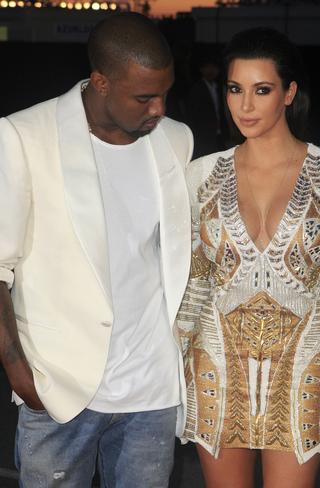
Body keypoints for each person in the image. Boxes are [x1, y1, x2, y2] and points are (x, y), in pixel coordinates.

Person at [0, 12, 193, 487]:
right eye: (144, 97)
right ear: (101, 82)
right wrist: (20, 374)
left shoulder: (176, 140)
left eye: (165, 93)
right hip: (62, 389)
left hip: (152, 391)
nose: (159, 109)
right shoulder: (24, 136)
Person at [176, 27, 320, 488]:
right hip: (215, 366)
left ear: (289, 93)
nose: (245, 106)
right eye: (235, 90)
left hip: (304, 367)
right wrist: (172, 370)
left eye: (262, 90)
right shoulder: (199, 175)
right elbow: (194, 281)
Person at [186, 57, 229, 159]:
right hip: (203, 135)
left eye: (214, 68)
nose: (211, 71)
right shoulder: (196, 89)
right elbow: (192, 115)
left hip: (219, 134)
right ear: (201, 69)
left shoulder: (218, 87)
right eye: (208, 67)